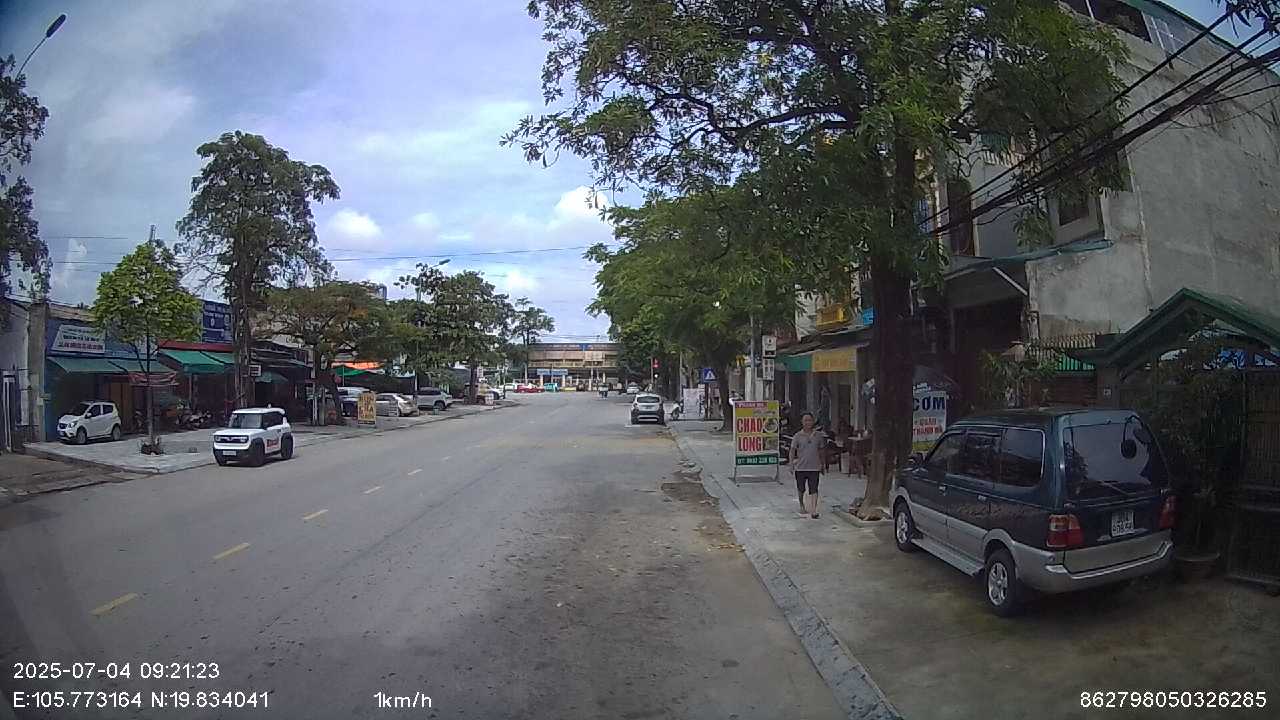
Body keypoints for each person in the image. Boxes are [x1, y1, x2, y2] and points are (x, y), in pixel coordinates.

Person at [789, 411, 825, 519]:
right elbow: (792, 450)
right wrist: (791, 464)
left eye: (810, 420)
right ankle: (801, 504)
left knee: (814, 488)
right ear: (802, 422)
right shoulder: (797, 436)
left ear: (813, 421)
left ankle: (813, 510)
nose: (808, 422)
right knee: (801, 489)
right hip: (801, 467)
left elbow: (821, 450)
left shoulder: (818, 435)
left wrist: (822, 464)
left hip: (814, 467)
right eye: (805, 420)